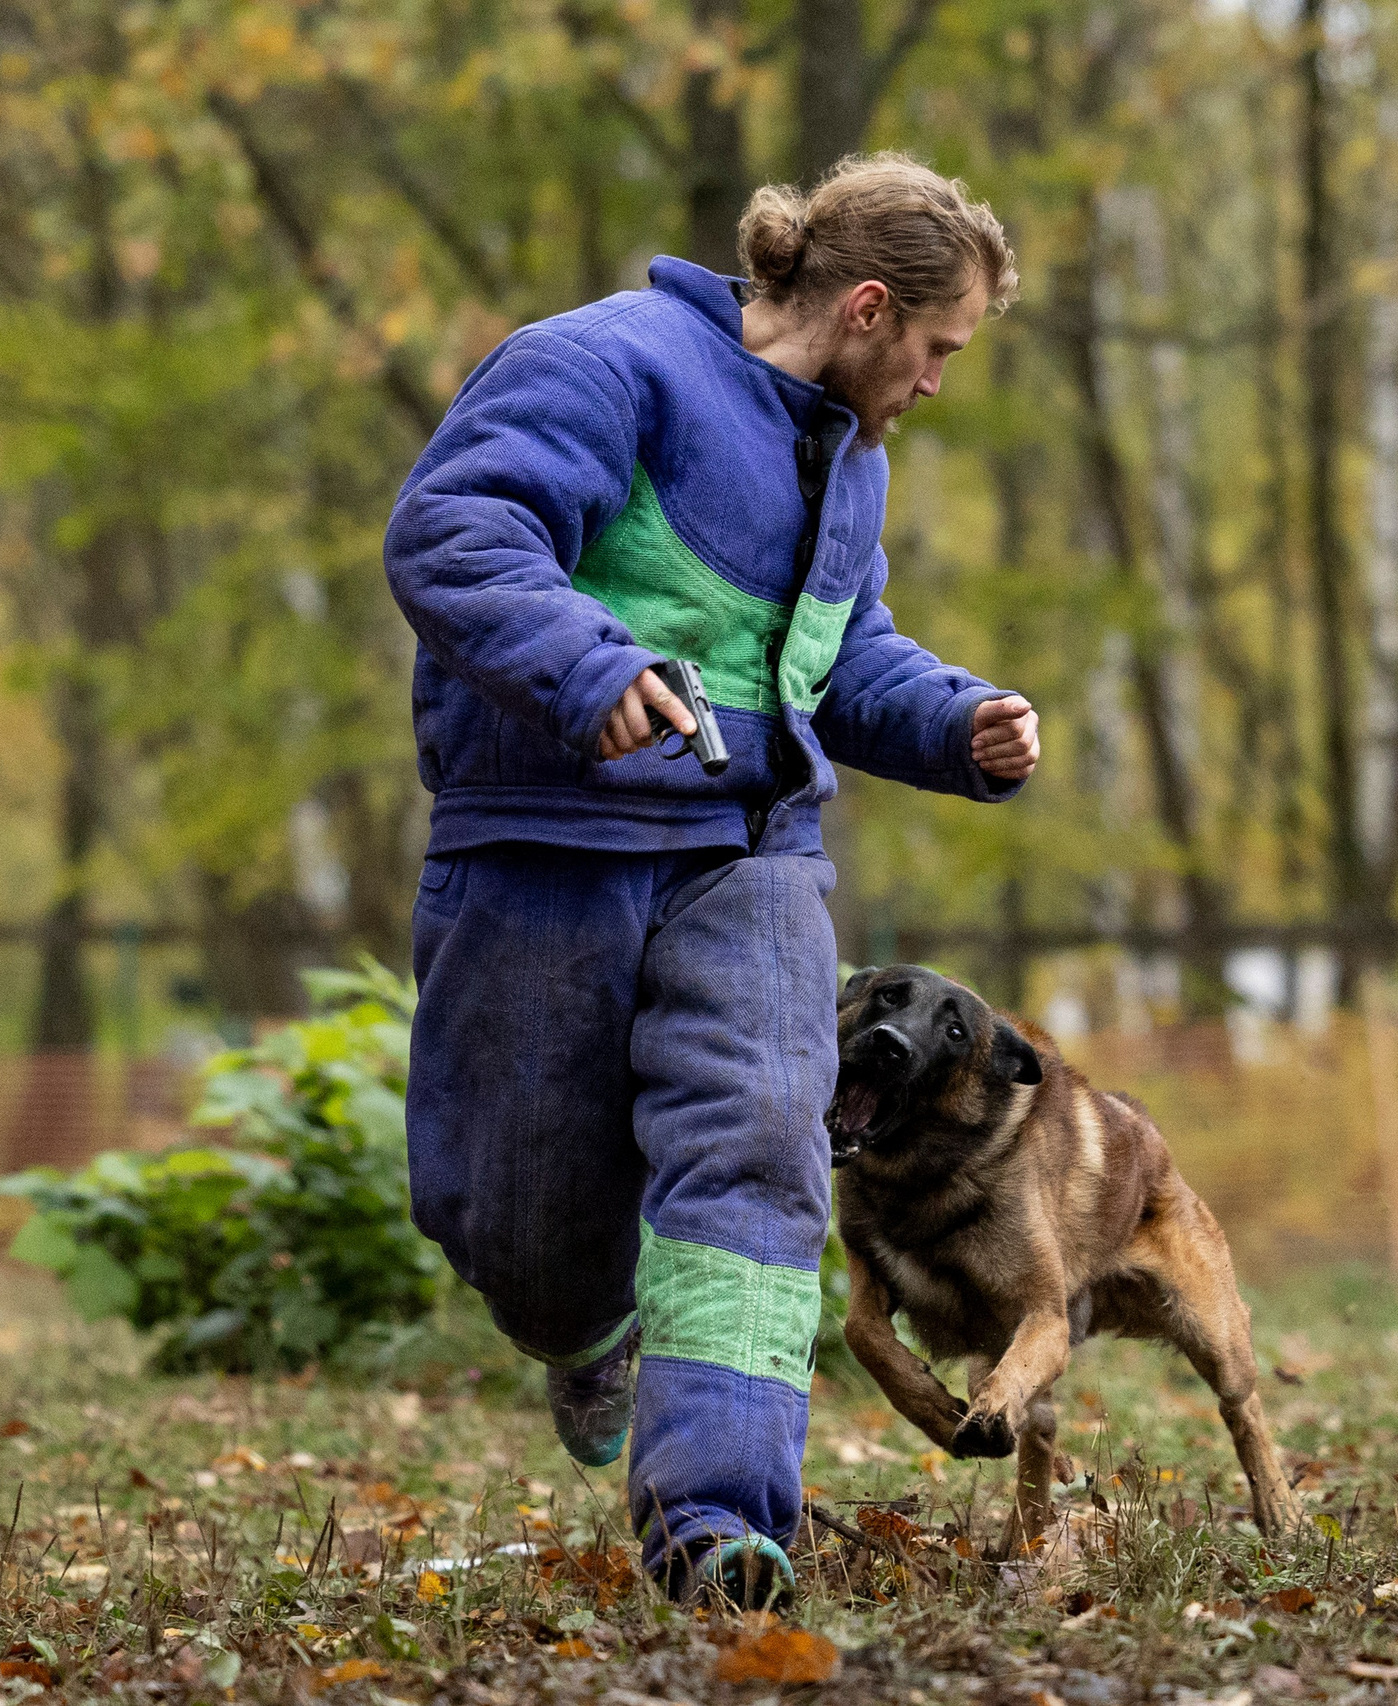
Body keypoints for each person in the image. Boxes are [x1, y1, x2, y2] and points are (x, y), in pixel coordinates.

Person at [386, 153, 1038, 1605]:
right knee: (531, 1232)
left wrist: (956, 718)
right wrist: (588, 668)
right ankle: (585, 1331)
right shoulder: (602, 365)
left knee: (762, 1151)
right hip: (549, 847)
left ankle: (719, 1524)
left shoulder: (849, 460)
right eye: (936, 350)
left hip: (751, 857)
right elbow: (455, 529)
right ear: (869, 308)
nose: (937, 384)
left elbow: (837, 658)